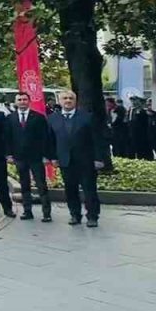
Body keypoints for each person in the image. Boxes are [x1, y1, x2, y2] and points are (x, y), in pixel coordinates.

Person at [47, 90, 106, 227]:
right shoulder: (52, 118)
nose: (68, 100)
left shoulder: (87, 117)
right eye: (64, 98)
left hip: (86, 161)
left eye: (71, 98)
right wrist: (53, 158)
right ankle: (75, 215)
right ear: (60, 101)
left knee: (89, 190)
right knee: (70, 190)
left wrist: (98, 158)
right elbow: (50, 140)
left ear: (75, 101)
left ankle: (92, 216)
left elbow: (97, 139)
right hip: (65, 161)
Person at [6, 91, 51, 221]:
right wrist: (9, 155)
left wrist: (46, 155)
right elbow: (8, 138)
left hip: (36, 157)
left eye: (24, 99)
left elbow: (45, 137)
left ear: (29, 101)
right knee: (25, 185)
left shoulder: (39, 117)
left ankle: (46, 213)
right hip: (19, 157)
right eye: (19, 100)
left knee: (41, 185)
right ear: (16, 102)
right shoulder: (10, 118)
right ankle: (27, 211)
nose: (22, 102)